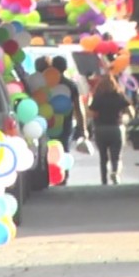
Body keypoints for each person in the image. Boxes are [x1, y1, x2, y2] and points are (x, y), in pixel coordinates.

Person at [89, 74, 133, 185]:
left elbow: (92, 112)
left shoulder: (98, 97)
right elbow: (131, 111)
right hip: (116, 128)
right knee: (116, 157)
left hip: (100, 129)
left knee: (103, 158)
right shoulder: (119, 96)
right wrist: (129, 120)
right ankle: (115, 173)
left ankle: (104, 180)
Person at [51, 56, 88, 184]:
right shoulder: (71, 85)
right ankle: (62, 176)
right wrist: (83, 128)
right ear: (65, 68)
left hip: (48, 123)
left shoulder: (45, 83)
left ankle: (51, 175)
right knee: (64, 149)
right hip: (65, 124)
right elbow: (79, 108)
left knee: (47, 149)